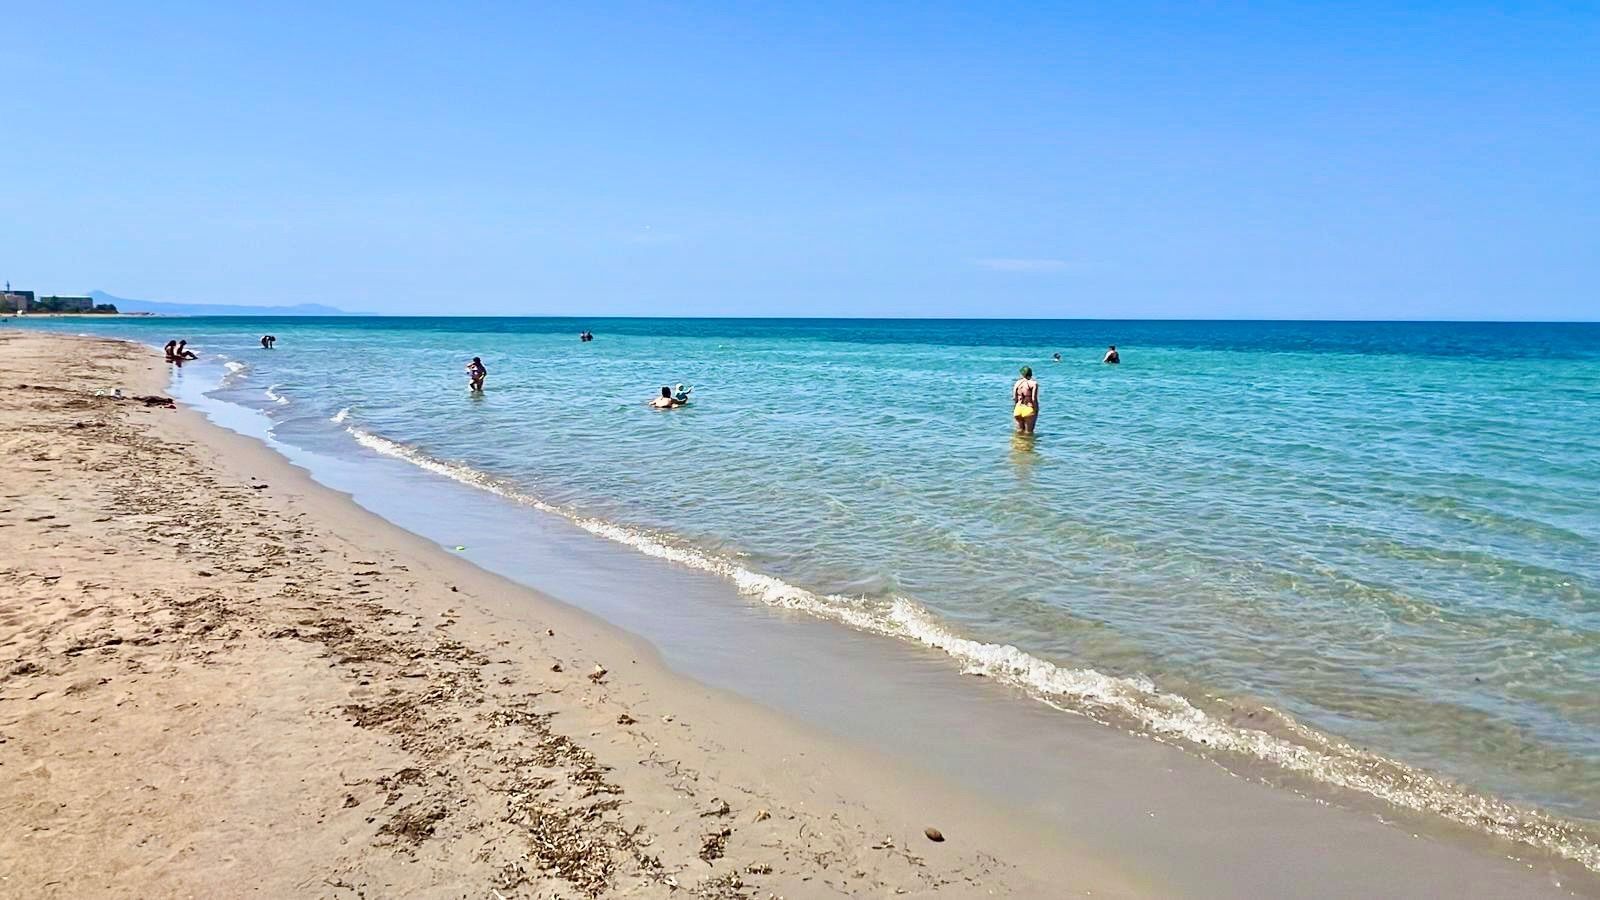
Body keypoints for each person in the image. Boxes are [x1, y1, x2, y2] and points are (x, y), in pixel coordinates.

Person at [1012, 366, 1039, 434]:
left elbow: (1014, 398)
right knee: (1028, 433)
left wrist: (1015, 408)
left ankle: (1018, 444)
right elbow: (1033, 398)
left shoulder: (1017, 383)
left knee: (1019, 432)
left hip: (1018, 409)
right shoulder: (1033, 383)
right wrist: (1036, 409)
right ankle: (1027, 444)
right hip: (1028, 409)